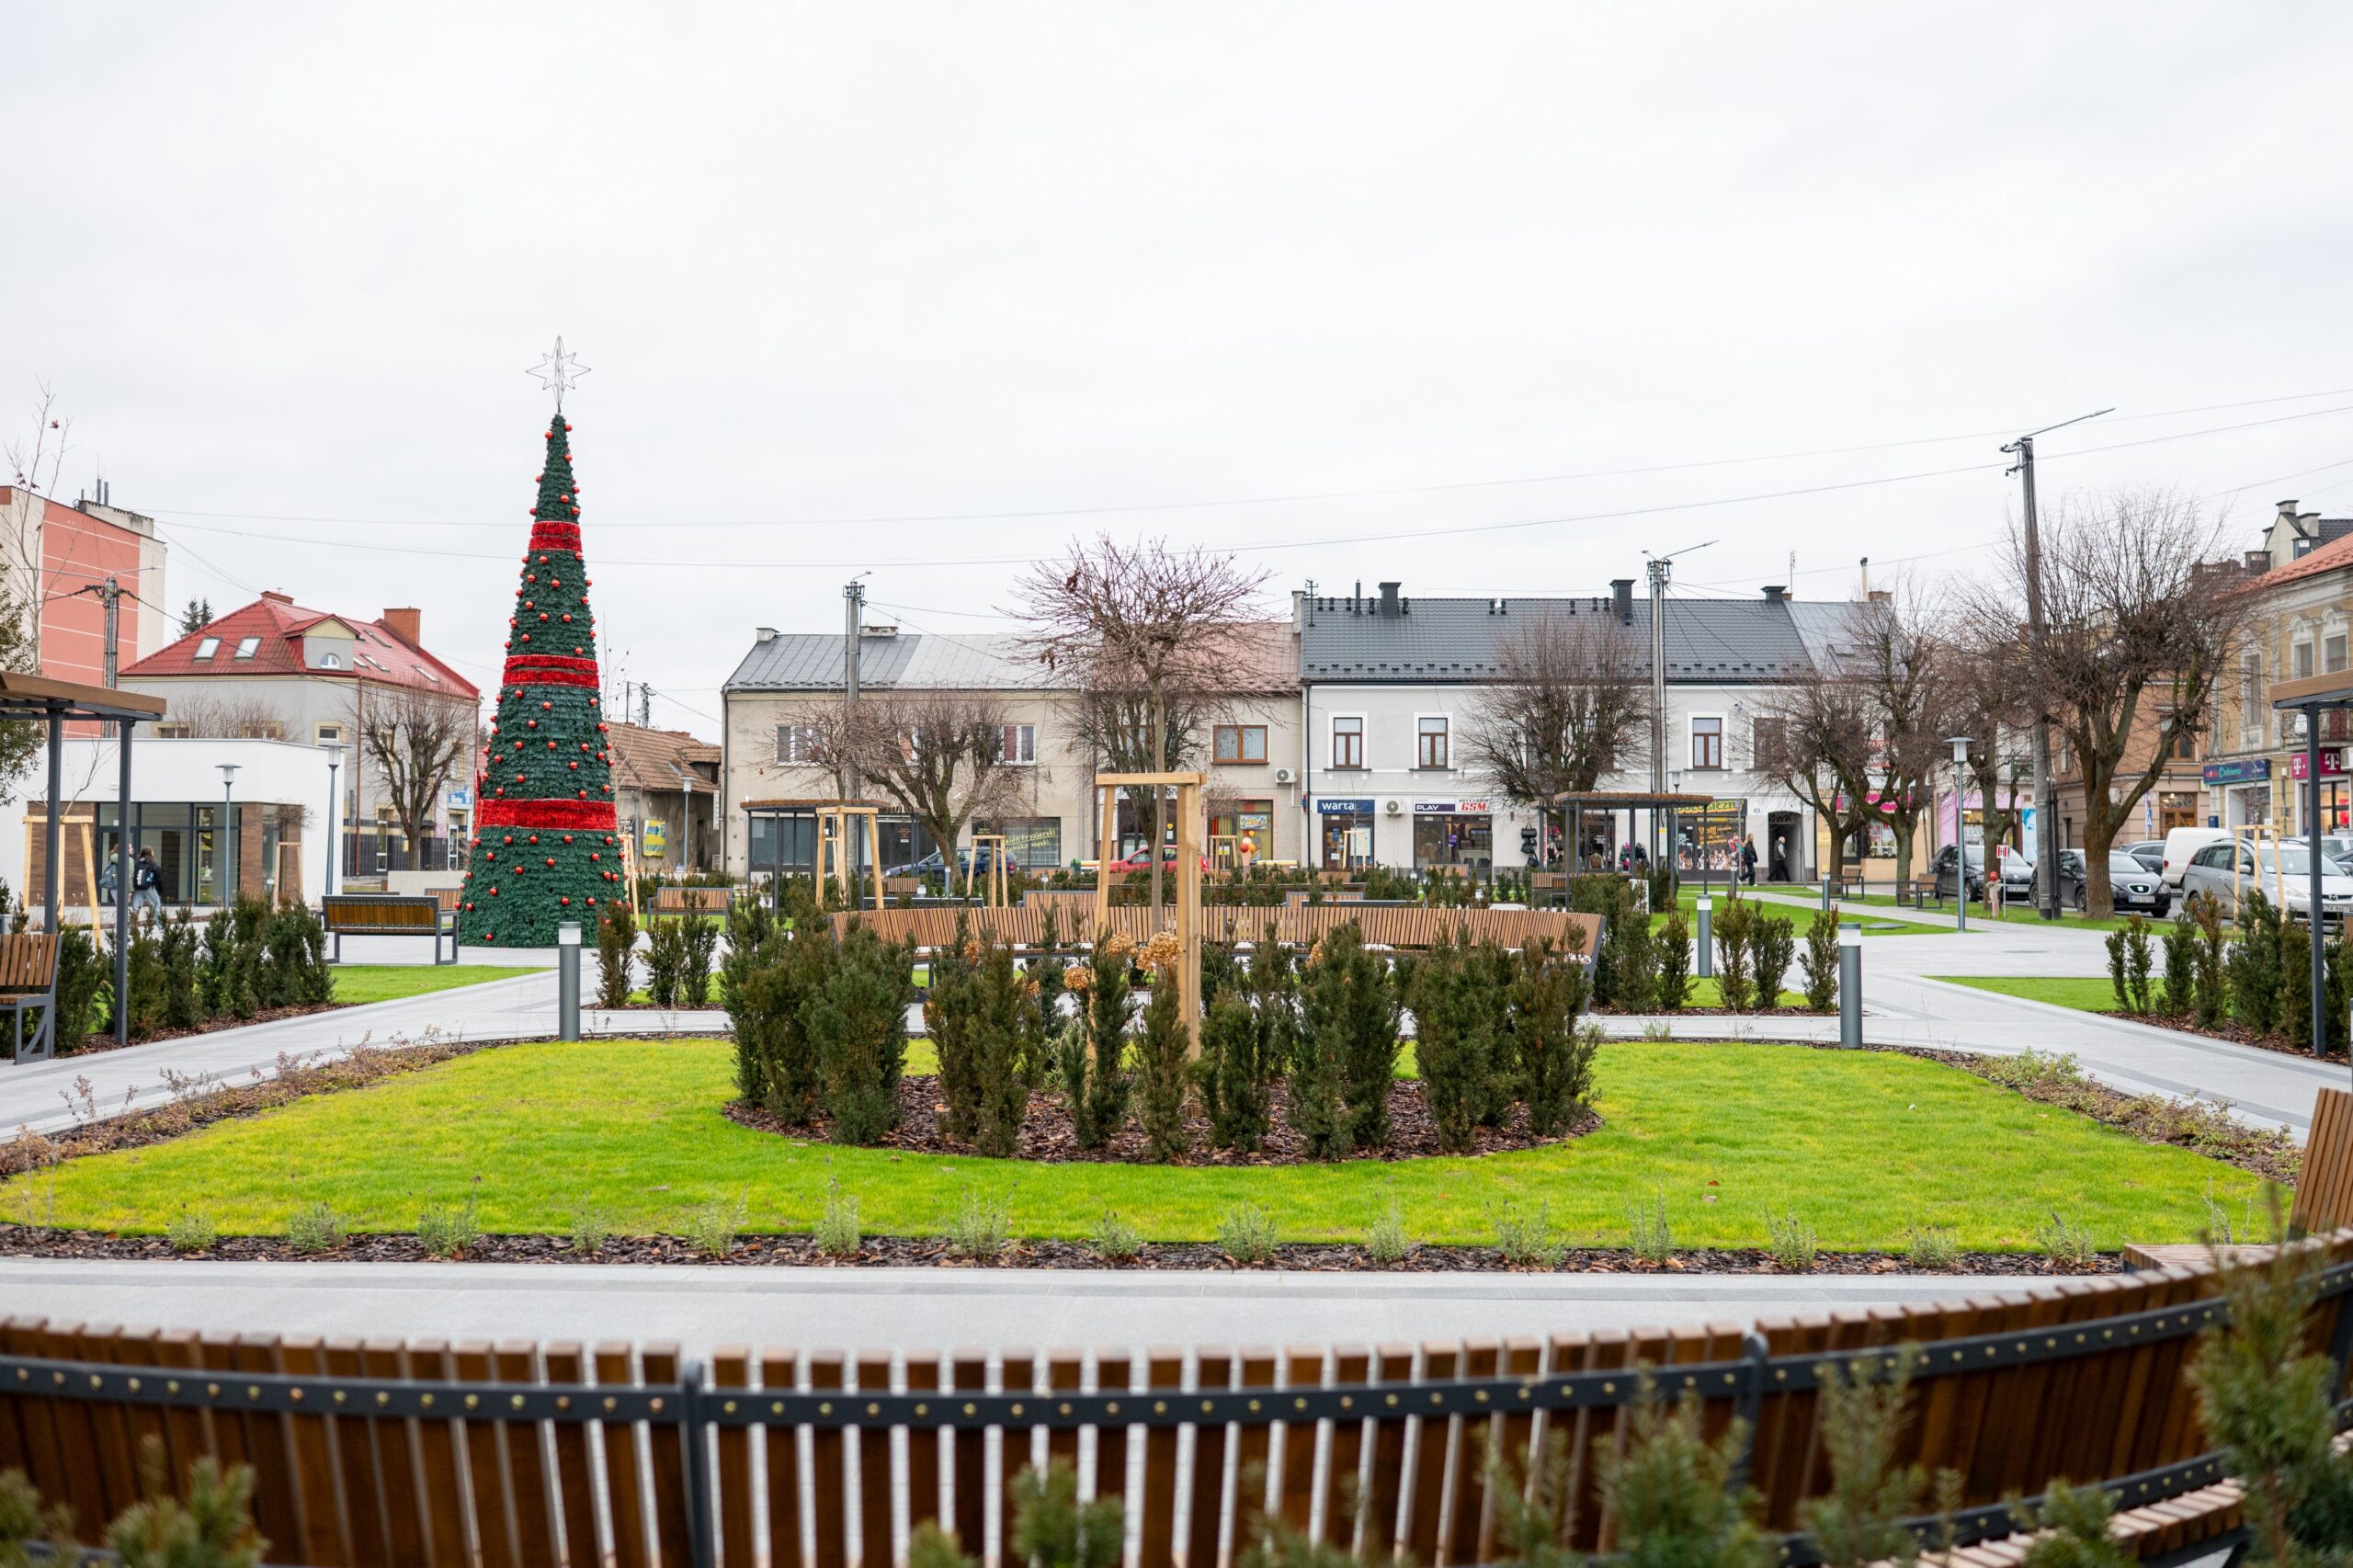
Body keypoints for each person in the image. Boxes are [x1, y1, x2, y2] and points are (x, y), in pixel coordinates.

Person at [131, 846, 165, 921]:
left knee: (136, 907)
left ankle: (133, 924)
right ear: (150, 853)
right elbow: (159, 879)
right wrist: (160, 890)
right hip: (149, 888)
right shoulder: (153, 864)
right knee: (156, 905)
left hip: (137, 888)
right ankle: (159, 924)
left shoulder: (136, 863)